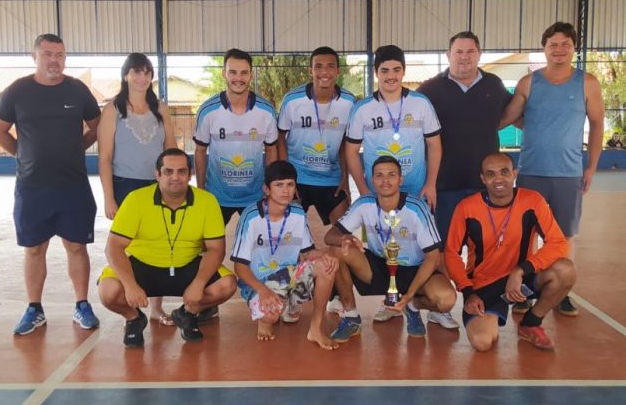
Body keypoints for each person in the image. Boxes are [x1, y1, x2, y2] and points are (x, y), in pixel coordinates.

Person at [0, 33, 101, 335]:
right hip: (32, 188)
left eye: (60, 55)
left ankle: (82, 305)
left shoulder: (78, 90)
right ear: (35, 56)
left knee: (77, 246)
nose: (55, 60)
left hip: (73, 186)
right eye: (48, 54)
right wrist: (22, 155)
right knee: (34, 249)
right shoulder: (17, 91)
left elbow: (97, 126)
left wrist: (78, 147)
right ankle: (34, 309)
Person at [500, 22, 604, 316]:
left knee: (563, 236)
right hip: (532, 171)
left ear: (573, 48)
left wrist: (591, 167)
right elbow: (508, 117)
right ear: (544, 48)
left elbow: (597, 125)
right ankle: (521, 289)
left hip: (568, 173)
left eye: (565, 44)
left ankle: (560, 291)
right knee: (526, 234)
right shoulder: (528, 82)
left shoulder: (588, 83)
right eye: (553, 44)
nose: (559, 50)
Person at [417, 31, 513, 329]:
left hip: (484, 184)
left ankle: (483, 297)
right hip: (445, 183)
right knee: (446, 246)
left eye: (470, 51)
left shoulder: (494, 85)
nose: (464, 57)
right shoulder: (431, 89)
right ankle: (440, 306)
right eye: (458, 51)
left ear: (479, 54)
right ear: (448, 55)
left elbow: (511, 113)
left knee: (484, 244)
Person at [97, 148, 237, 347]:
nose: (175, 177)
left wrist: (199, 283)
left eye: (181, 171)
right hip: (143, 264)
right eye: (168, 171)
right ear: (158, 174)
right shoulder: (136, 199)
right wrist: (130, 285)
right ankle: (134, 319)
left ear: (190, 175)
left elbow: (216, 249)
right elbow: (114, 247)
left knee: (227, 285)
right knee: (108, 291)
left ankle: (187, 314)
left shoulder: (207, 201)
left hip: (187, 264)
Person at [445, 152, 575, 351]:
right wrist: (468, 291)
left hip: (522, 279)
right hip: (484, 285)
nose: (498, 179)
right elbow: (451, 253)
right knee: (482, 342)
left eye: (504, 172)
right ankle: (492, 314)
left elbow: (558, 243)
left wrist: (521, 270)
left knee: (565, 270)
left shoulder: (533, 201)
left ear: (515, 173)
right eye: (490, 174)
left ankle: (530, 323)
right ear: (483, 179)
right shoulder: (467, 208)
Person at [324, 156, 456, 342]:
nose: (385, 180)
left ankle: (412, 306)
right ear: (372, 180)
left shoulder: (417, 208)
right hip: (380, 266)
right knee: (337, 250)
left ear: (400, 180)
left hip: (415, 268)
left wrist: (409, 295)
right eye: (379, 175)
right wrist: (344, 237)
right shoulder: (364, 204)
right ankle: (351, 316)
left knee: (446, 300)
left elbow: (433, 257)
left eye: (392, 175)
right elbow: (329, 236)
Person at [97, 52, 178, 326]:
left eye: (146, 72)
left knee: (160, 241)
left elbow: (171, 149)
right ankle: (130, 297)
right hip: (125, 186)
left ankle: (156, 307)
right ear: (125, 75)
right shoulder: (112, 111)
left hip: (159, 184)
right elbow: (105, 158)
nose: (142, 77)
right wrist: (109, 197)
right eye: (136, 71)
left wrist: (174, 183)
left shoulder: (161, 108)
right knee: (126, 245)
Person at [230, 160, 340, 350]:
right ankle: (268, 316)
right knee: (270, 316)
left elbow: (307, 253)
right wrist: (263, 291)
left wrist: (326, 255)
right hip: (259, 283)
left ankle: (315, 329)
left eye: (290, 185)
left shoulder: (297, 213)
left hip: (288, 276)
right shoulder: (251, 217)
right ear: (266, 189)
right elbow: (239, 266)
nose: (285, 190)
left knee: (326, 266)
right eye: (279, 185)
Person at [345, 45, 442, 210]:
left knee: (416, 235)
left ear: (404, 71)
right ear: (376, 73)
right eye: (384, 71)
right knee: (380, 235)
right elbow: (351, 152)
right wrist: (363, 190)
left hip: (416, 191)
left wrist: (431, 184)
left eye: (396, 70)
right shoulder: (362, 108)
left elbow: (435, 146)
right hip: (377, 192)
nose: (391, 76)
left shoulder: (421, 103)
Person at [194, 48, 278, 225]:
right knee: (208, 247)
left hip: (254, 195)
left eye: (244, 73)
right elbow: (200, 151)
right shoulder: (208, 111)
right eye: (233, 72)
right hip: (217, 195)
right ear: (224, 73)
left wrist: (270, 189)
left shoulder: (266, 111)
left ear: (251, 75)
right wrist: (201, 190)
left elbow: (271, 149)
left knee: (258, 247)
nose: (238, 78)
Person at [278, 46, 356, 226]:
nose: (324, 72)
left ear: (338, 71)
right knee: (287, 229)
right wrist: (286, 177)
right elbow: (280, 137)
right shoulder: (292, 100)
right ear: (310, 71)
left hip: (331, 178)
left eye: (330, 66)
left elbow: (347, 142)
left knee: (345, 229)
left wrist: (345, 176)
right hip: (298, 177)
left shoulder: (349, 102)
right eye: (318, 66)